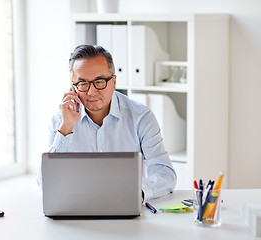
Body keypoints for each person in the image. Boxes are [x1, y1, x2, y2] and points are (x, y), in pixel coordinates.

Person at [37, 44, 176, 201]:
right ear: (73, 88)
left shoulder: (141, 117)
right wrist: (66, 129)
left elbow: (164, 173)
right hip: (76, 210)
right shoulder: (61, 120)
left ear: (114, 82)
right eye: (83, 83)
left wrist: (138, 194)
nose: (91, 92)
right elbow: (44, 182)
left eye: (100, 81)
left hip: (127, 209)